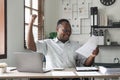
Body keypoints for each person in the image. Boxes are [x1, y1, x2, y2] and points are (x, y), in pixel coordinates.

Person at [27, 15, 99, 80]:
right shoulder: (48, 43)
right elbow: (30, 46)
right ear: (57, 29)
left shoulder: (76, 45)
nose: (68, 33)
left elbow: (86, 64)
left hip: (71, 78)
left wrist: (92, 55)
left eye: (69, 31)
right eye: (65, 30)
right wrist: (30, 23)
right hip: (53, 78)